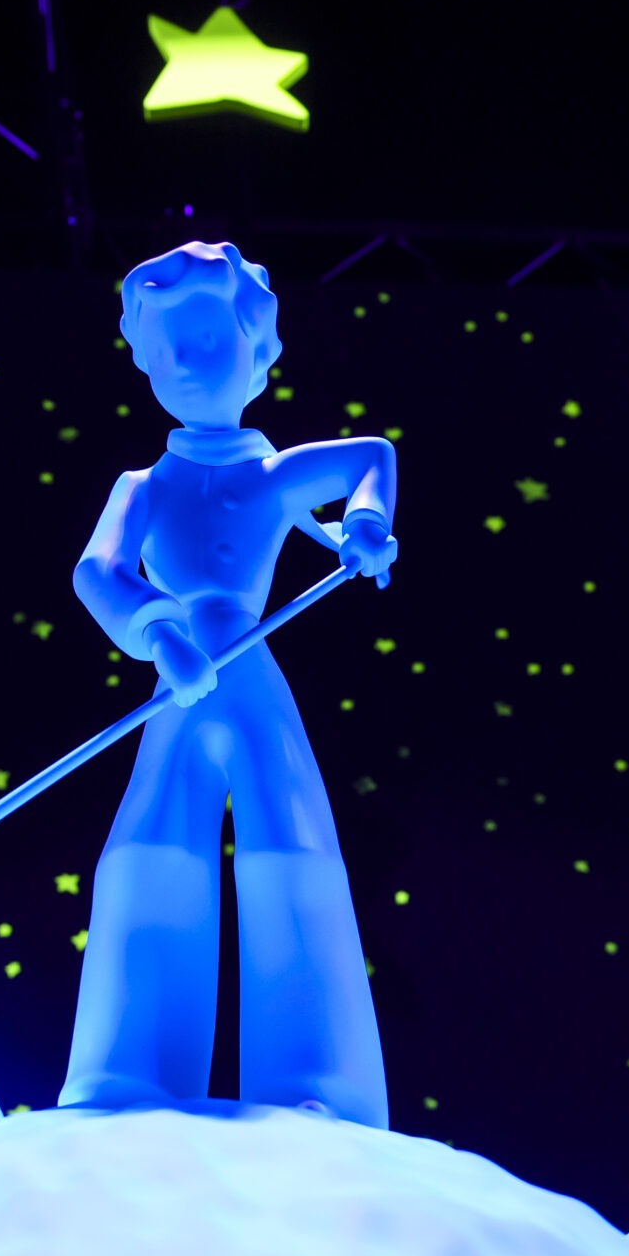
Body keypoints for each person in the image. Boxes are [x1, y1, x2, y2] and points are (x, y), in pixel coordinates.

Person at [58, 242, 399, 1129]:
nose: (186, 361)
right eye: (166, 345)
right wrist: (155, 628)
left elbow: (371, 456)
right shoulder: (144, 486)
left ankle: (315, 1079)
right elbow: (97, 571)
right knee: (149, 847)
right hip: (180, 683)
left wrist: (365, 523)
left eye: (208, 338)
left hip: (246, 677)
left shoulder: (273, 476)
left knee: (288, 843)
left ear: (258, 349)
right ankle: (125, 1068)